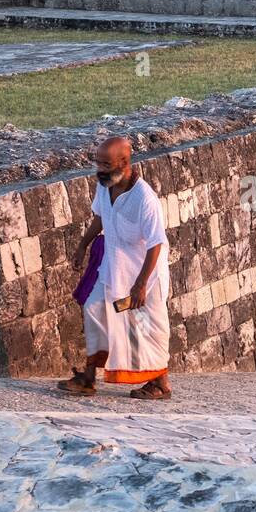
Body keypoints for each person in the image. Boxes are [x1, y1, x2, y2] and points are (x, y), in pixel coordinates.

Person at [58, 136, 172, 399]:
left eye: (106, 164)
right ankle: (88, 377)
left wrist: (141, 284)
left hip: (144, 275)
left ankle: (161, 384)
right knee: (94, 308)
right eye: (98, 163)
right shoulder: (104, 185)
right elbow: (101, 217)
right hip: (113, 268)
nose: (100, 169)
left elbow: (156, 244)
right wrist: (82, 245)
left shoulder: (145, 199)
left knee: (146, 328)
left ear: (124, 161)